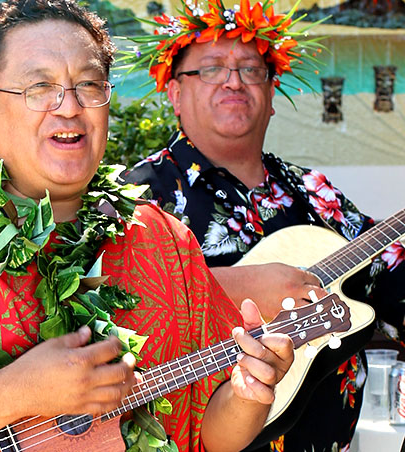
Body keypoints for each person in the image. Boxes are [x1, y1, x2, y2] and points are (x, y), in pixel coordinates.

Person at [0, 1, 295, 452]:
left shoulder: (163, 241)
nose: (69, 106)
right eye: (39, 87)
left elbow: (211, 431)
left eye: (88, 85)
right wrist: (15, 391)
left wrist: (250, 393)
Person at [122, 0, 405, 451]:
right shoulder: (138, 197)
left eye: (251, 69)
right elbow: (108, 304)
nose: (234, 80)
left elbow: (391, 275)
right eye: (212, 68)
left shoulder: (314, 191)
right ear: (174, 92)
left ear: (272, 96)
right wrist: (235, 284)